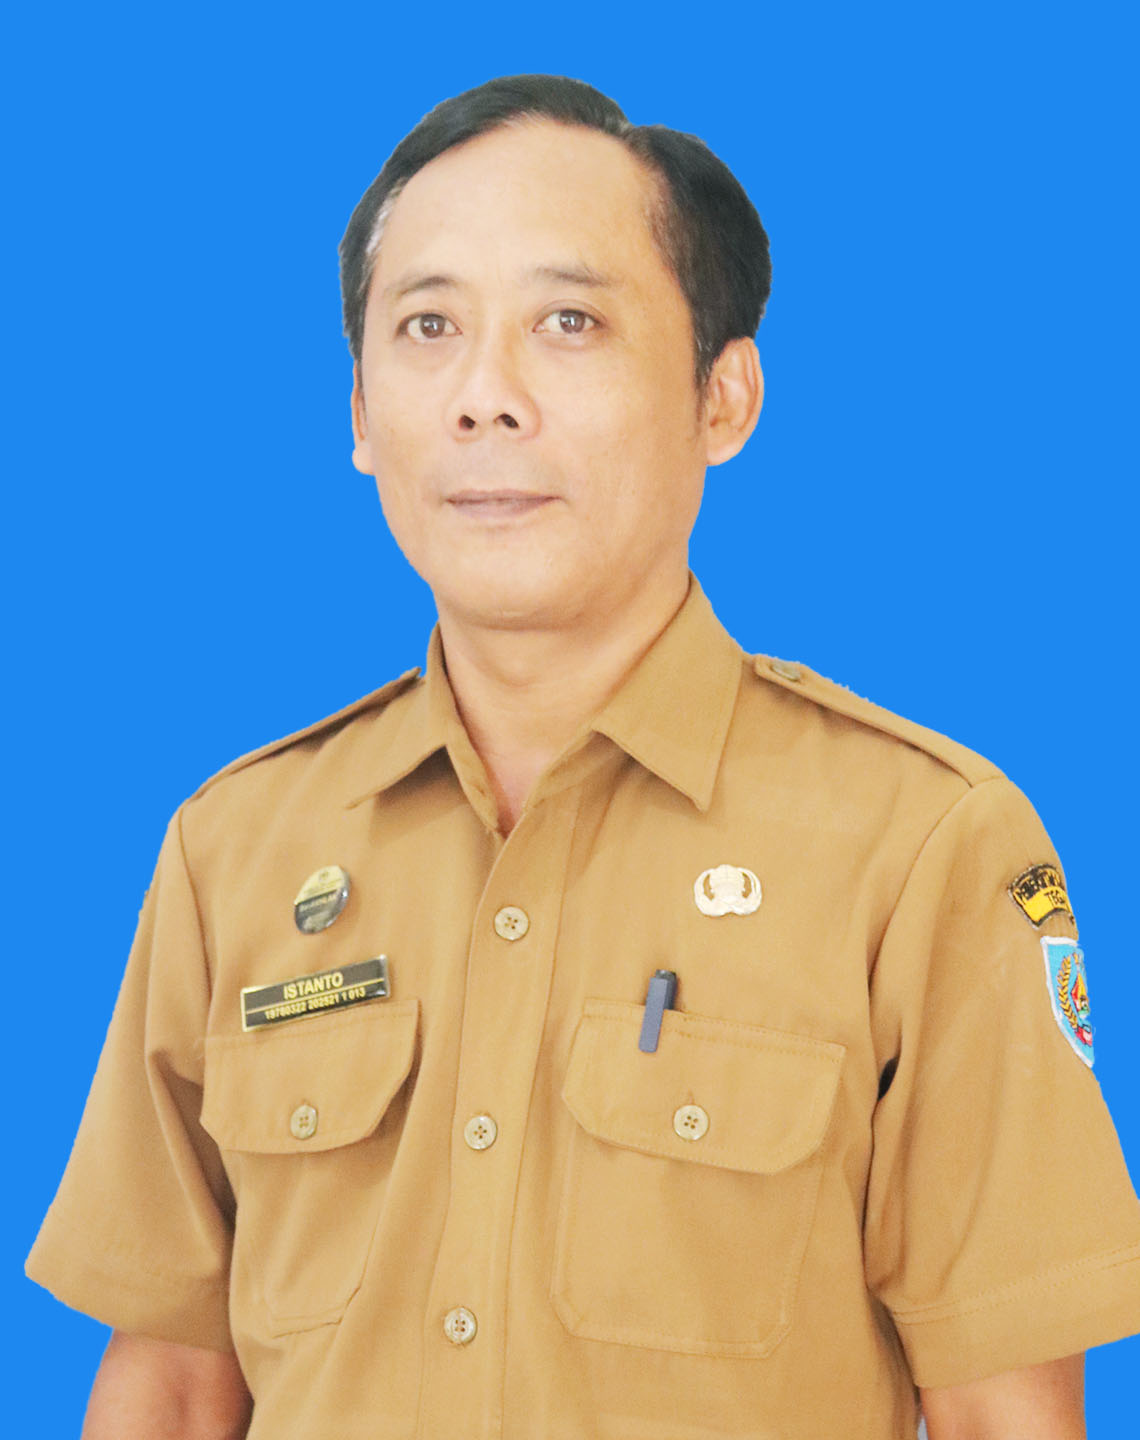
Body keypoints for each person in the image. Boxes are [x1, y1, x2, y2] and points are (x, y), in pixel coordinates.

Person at [26, 73, 1140, 1440]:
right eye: (428, 326)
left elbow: (1000, 1412)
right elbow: (174, 1385)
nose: (485, 398)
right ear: (362, 413)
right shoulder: (235, 845)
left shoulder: (928, 846)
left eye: (568, 322)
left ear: (724, 397)